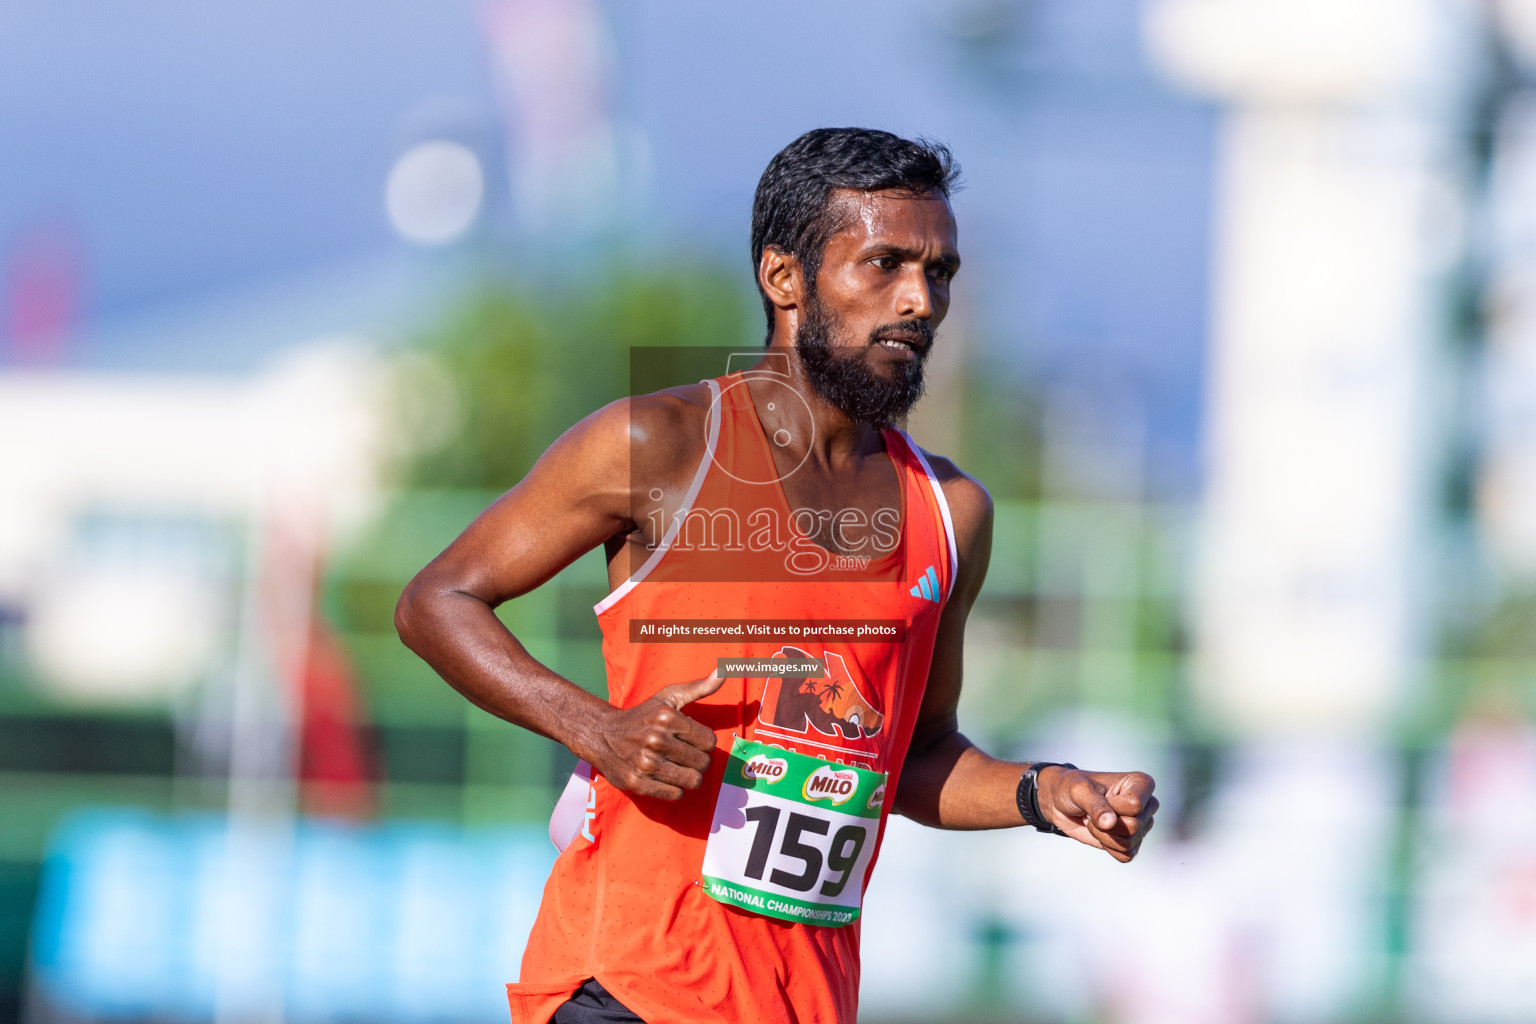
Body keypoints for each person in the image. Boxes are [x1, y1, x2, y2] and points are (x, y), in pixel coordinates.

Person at [396, 127, 1157, 1024]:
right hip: (625, 984)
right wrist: (595, 726)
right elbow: (436, 600)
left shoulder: (951, 514)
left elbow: (912, 756)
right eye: (885, 264)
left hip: (805, 1003)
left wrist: (1042, 790)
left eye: (940, 273)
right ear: (784, 277)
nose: (920, 300)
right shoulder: (664, 446)